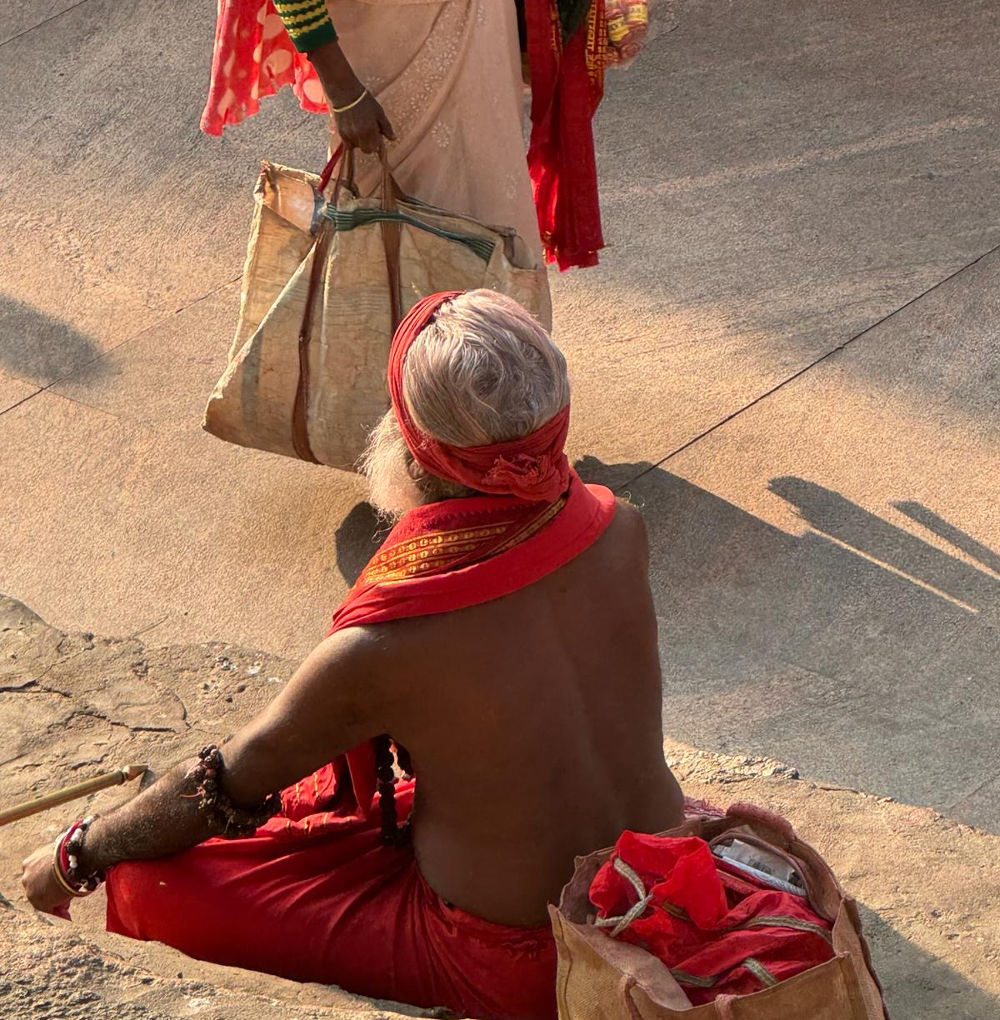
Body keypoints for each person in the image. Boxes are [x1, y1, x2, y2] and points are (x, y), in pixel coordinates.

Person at [21, 290, 684, 1020]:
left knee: (149, 883)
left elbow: (218, 785)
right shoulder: (619, 525)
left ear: (418, 447)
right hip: (654, 882)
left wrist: (73, 857)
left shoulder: (389, 647)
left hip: (512, 959)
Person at [202, 0, 609, 269]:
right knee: (385, 242)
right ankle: (413, 380)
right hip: (383, 61)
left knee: (494, 217)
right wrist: (342, 90)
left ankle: (488, 372)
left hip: (476, 37)